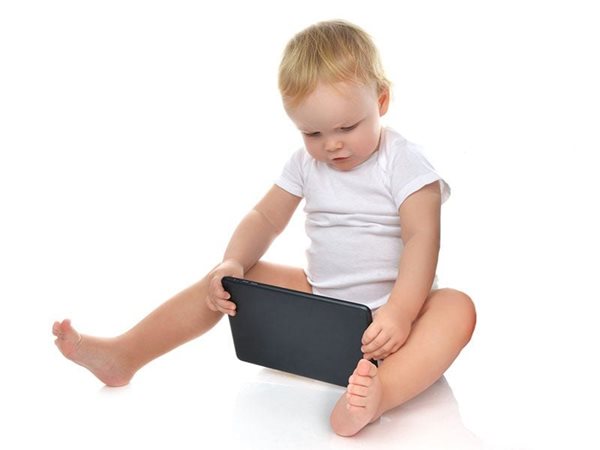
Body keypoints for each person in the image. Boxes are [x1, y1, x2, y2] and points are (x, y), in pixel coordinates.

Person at [52, 19, 476, 437]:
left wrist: (401, 312)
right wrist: (233, 260)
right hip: (323, 303)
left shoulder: (403, 163)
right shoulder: (306, 163)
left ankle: (379, 395)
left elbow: (423, 237)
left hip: (397, 313)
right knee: (230, 280)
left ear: (381, 101)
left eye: (348, 127)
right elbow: (266, 218)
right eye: (313, 131)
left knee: (456, 308)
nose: (332, 144)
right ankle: (126, 354)